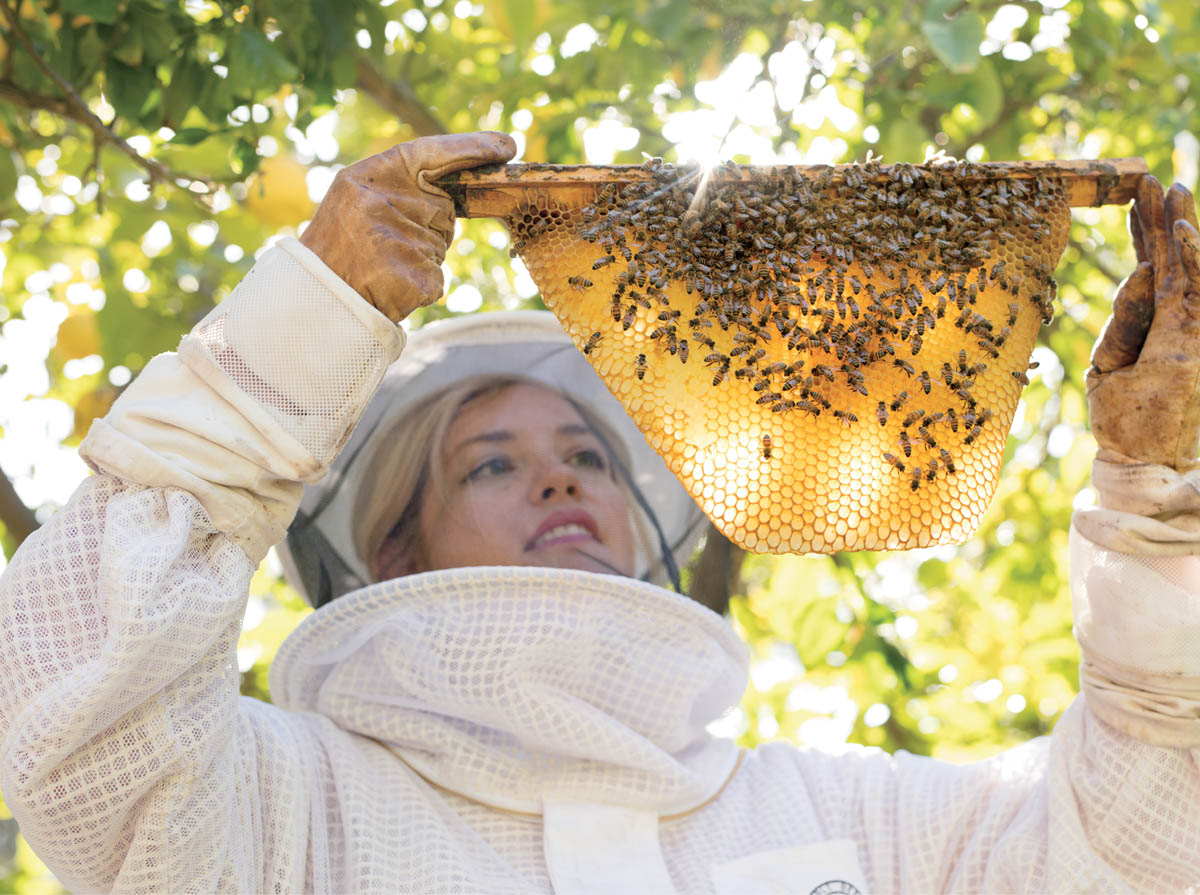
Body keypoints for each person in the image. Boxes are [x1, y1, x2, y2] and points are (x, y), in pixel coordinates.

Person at [0, 130, 1197, 894]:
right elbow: (78, 695)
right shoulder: (278, 807)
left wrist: (1163, 497)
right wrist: (302, 322)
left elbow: (1138, 835)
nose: (565, 477)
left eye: (584, 450)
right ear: (391, 545)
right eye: (489, 465)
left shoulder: (861, 817)